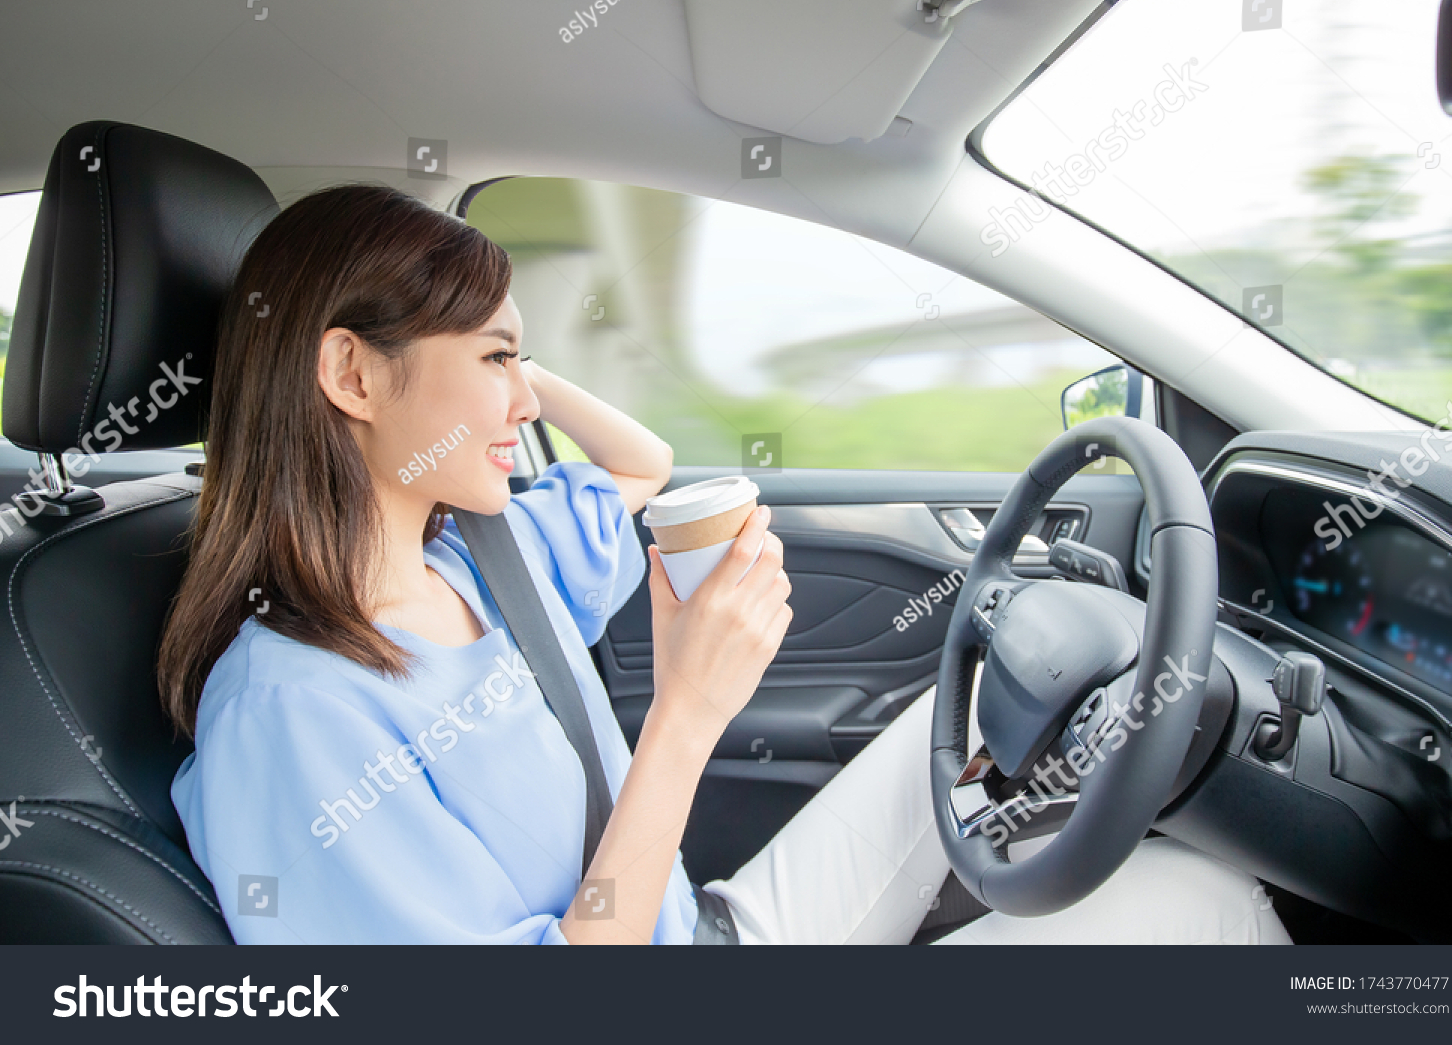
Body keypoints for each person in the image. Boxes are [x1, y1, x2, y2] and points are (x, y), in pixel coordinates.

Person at [161, 184, 1289, 945]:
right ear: (352, 377)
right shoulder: (291, 716)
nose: (522, 398)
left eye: (527, 358)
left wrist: (513, 368)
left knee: (1005, 689)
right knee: (1212, 900)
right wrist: (688, 710)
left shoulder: (480, 550)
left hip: (697, 930)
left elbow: (643, 462)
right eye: (497, 355)